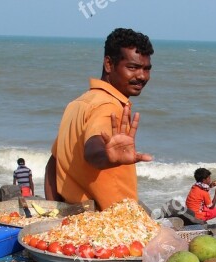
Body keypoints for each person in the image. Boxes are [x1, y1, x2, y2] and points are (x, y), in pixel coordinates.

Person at [44, 28, 154, 210]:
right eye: (133, 67)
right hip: (110, 225)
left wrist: (54, 211)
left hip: (76, 221)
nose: (142, 76)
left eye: (146, 69)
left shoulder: (77, 104)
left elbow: (53, 163)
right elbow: (93, 149)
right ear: (109, 64)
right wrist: (107, 157)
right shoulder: (108, 106)